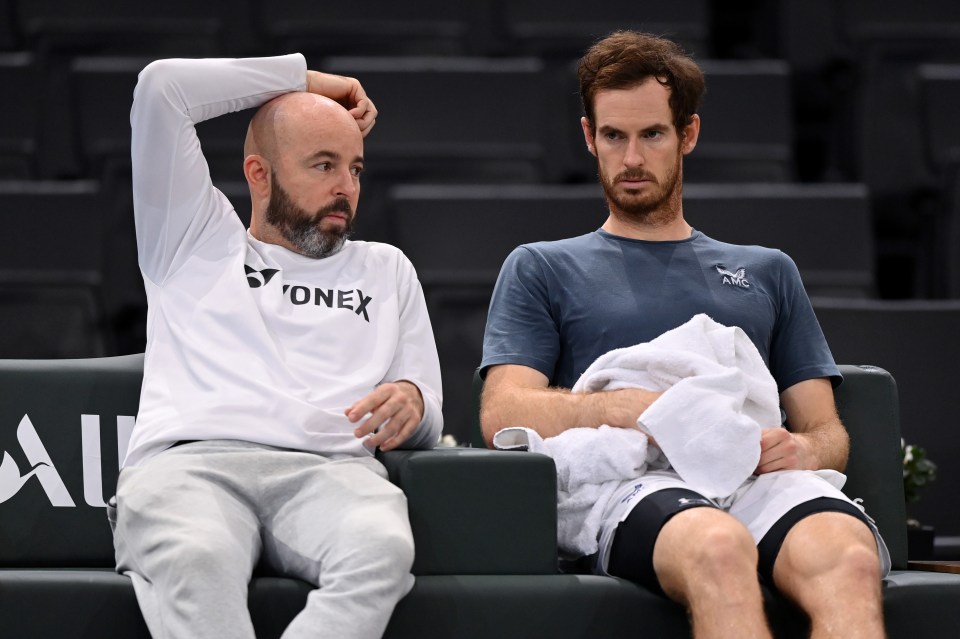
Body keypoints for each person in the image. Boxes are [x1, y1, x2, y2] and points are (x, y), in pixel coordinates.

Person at [480, 31, 888, 639]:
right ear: (590, 137)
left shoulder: (768, 270)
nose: (633, 159)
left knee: (850, 558)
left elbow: (827, 431)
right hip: (634, 481)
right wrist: (631, 409)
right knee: (718, 548)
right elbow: (501, 412)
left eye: (652, 135)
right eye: (614, 136)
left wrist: (803, 451)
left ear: (687, 135)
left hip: (758, 478)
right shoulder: (541, 265)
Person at [108, 54, 443, 639]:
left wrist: (411, 403)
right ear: (259, 174)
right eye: (324, 165)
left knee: (382, 549)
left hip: (332, 473)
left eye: (356, 168)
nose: (347, 187)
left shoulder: (386, 270)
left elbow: (426, 414)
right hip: (191, 467)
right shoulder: (190, 238)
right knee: (198, 559)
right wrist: (304, 81)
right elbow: (161, 88)